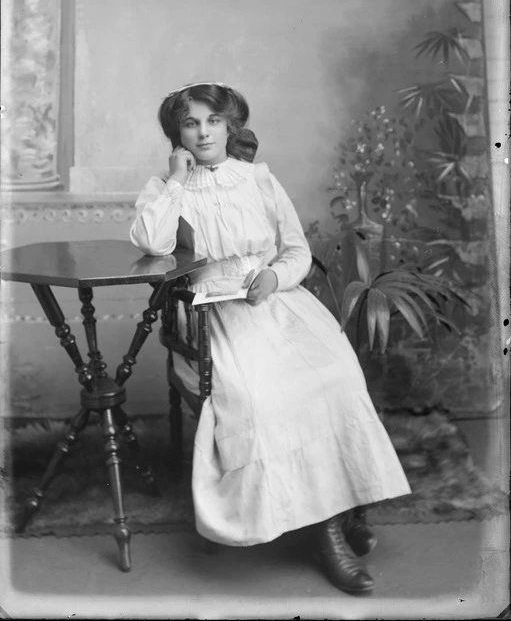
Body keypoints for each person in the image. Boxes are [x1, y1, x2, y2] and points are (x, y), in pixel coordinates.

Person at [130, 82, 411, 594]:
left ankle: (341, 510)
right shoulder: (164, 187)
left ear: (229, 125)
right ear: (177, 134)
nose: (203, 131)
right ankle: (327, 534)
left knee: (335, 378)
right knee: (265, 399)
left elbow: (296, 250)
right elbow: (152, 243)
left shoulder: (257, 178)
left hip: (277, 304)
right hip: (218, 316)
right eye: (191, 123)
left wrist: (276, 278)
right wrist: (174, 180)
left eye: (212, 121)